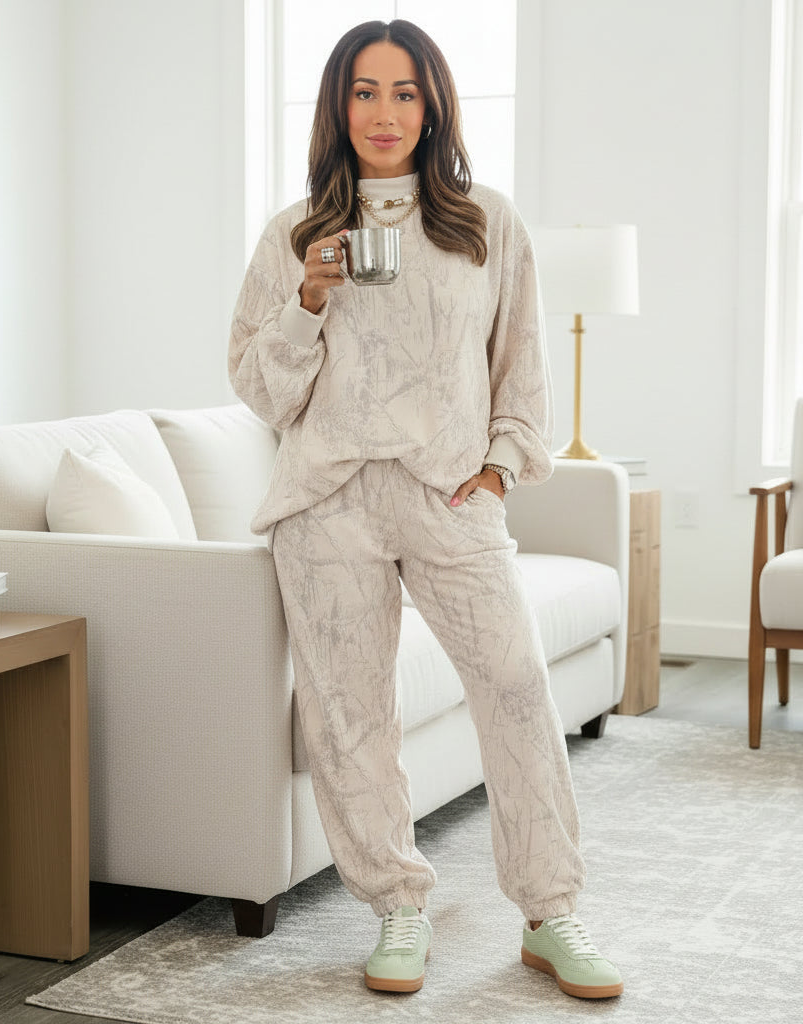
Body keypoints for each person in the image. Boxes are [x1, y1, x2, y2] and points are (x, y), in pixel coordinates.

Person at [228, 19, 623, 1000]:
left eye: (405, 92)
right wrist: (308, 300)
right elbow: (259, 386)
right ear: (337, 105)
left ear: (435, 103)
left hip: (450, 498)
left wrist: (498, 469)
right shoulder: (292, 234)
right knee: (348, 715)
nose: (384, 112)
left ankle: (548, 911)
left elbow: (518, 365)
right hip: (326, 505)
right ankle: (396, 906)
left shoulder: (486, 222)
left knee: (517, 689)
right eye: (364, 91)